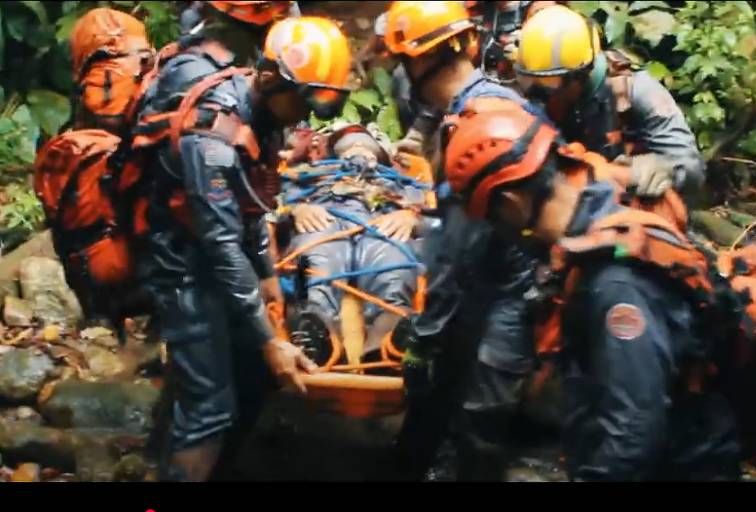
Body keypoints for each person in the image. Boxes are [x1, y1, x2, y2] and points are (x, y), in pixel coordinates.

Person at [441, 102, 742, 481]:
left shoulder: (615, 285)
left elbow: (633, 431)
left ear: (513, 204)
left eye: (491, 216)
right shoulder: (600, 213)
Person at [133, 5, 352, 481]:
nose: (303, 116)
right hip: (181, 267)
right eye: (302, 100)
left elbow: (253, 204)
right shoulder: (213, 135)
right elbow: (220, 241)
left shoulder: (264, 120)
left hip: (215, 257)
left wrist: (270, 277)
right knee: (210, 406)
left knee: (250, 377)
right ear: (272, 79)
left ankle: (184, 460)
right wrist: (271, 338)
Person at [381, 0, 550, 481]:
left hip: (507, 288)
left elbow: (458, 247)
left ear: (420, 59)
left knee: (478, 417)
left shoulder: (477, 127)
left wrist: (425, 336)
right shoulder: (486, 105)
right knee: (439, 405)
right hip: (488, 281)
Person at [515, 4, 705, 203]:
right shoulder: (541, 86)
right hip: (572, 197)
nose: (540, 90)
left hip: (631, 206)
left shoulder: (636, 91)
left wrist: (666, 168)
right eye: (533, 80)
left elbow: (691, 166)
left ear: (581, 74)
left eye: (549, 83)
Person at [276, 122, 434, 362]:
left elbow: (438, 220)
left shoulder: (405, 181)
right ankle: (318, 333)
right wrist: (296, 210)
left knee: (395, 264)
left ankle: (387, 338)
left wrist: (412, 218)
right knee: (315, 265)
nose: (358, 148)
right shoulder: (306, 174)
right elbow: (270, 208)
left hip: (383, 220)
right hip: (323, 216)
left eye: (366, 145)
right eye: (350, 145)